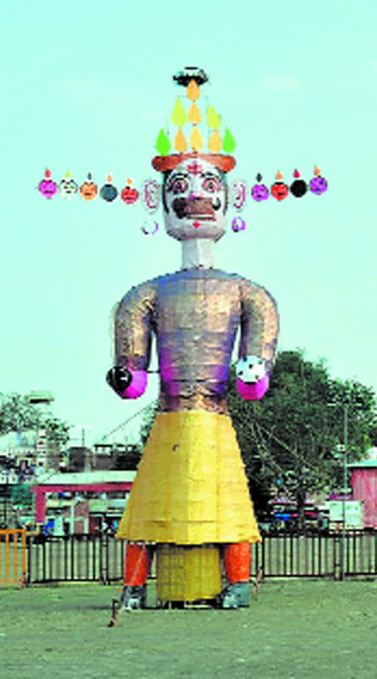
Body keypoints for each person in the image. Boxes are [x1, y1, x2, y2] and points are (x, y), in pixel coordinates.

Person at [108, 69, 277, 610]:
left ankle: (237, 583)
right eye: (178, 187)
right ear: (156, 201)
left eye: (208, 186)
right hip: (170, 418)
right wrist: (124, 376)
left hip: (214, 418)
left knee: (227, 511)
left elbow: (254, 379)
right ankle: (134, 587)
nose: (194, 197)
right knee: (149, 512)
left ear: (234, 199)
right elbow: (134, 379)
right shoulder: (143, 296)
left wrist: (253, 371)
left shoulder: (249, 294)